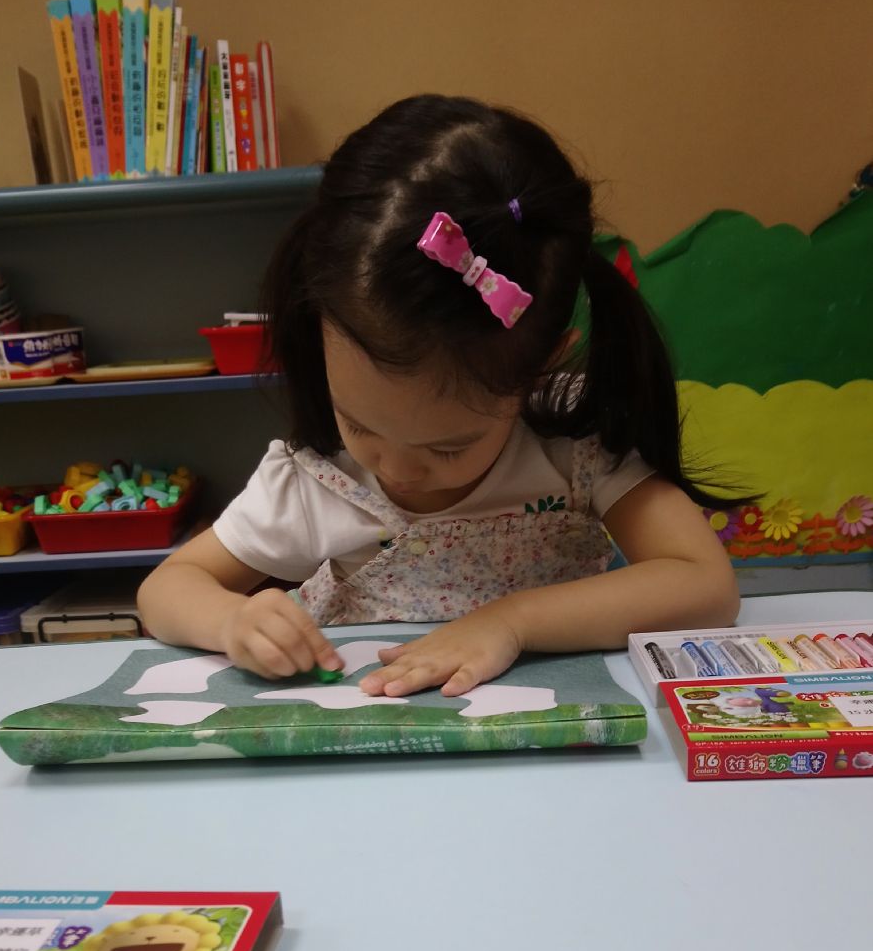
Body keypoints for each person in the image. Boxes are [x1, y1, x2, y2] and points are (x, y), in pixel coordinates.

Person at [139, 95, 739, 698]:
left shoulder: (571, 437)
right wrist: (232, 619)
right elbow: (165, 589)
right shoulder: (317, 480)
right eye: (360, 425)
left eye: (449, 447)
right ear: (317, 332)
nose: (398, 470)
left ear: (537, 371)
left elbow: (705, 585)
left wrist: (510, 623)